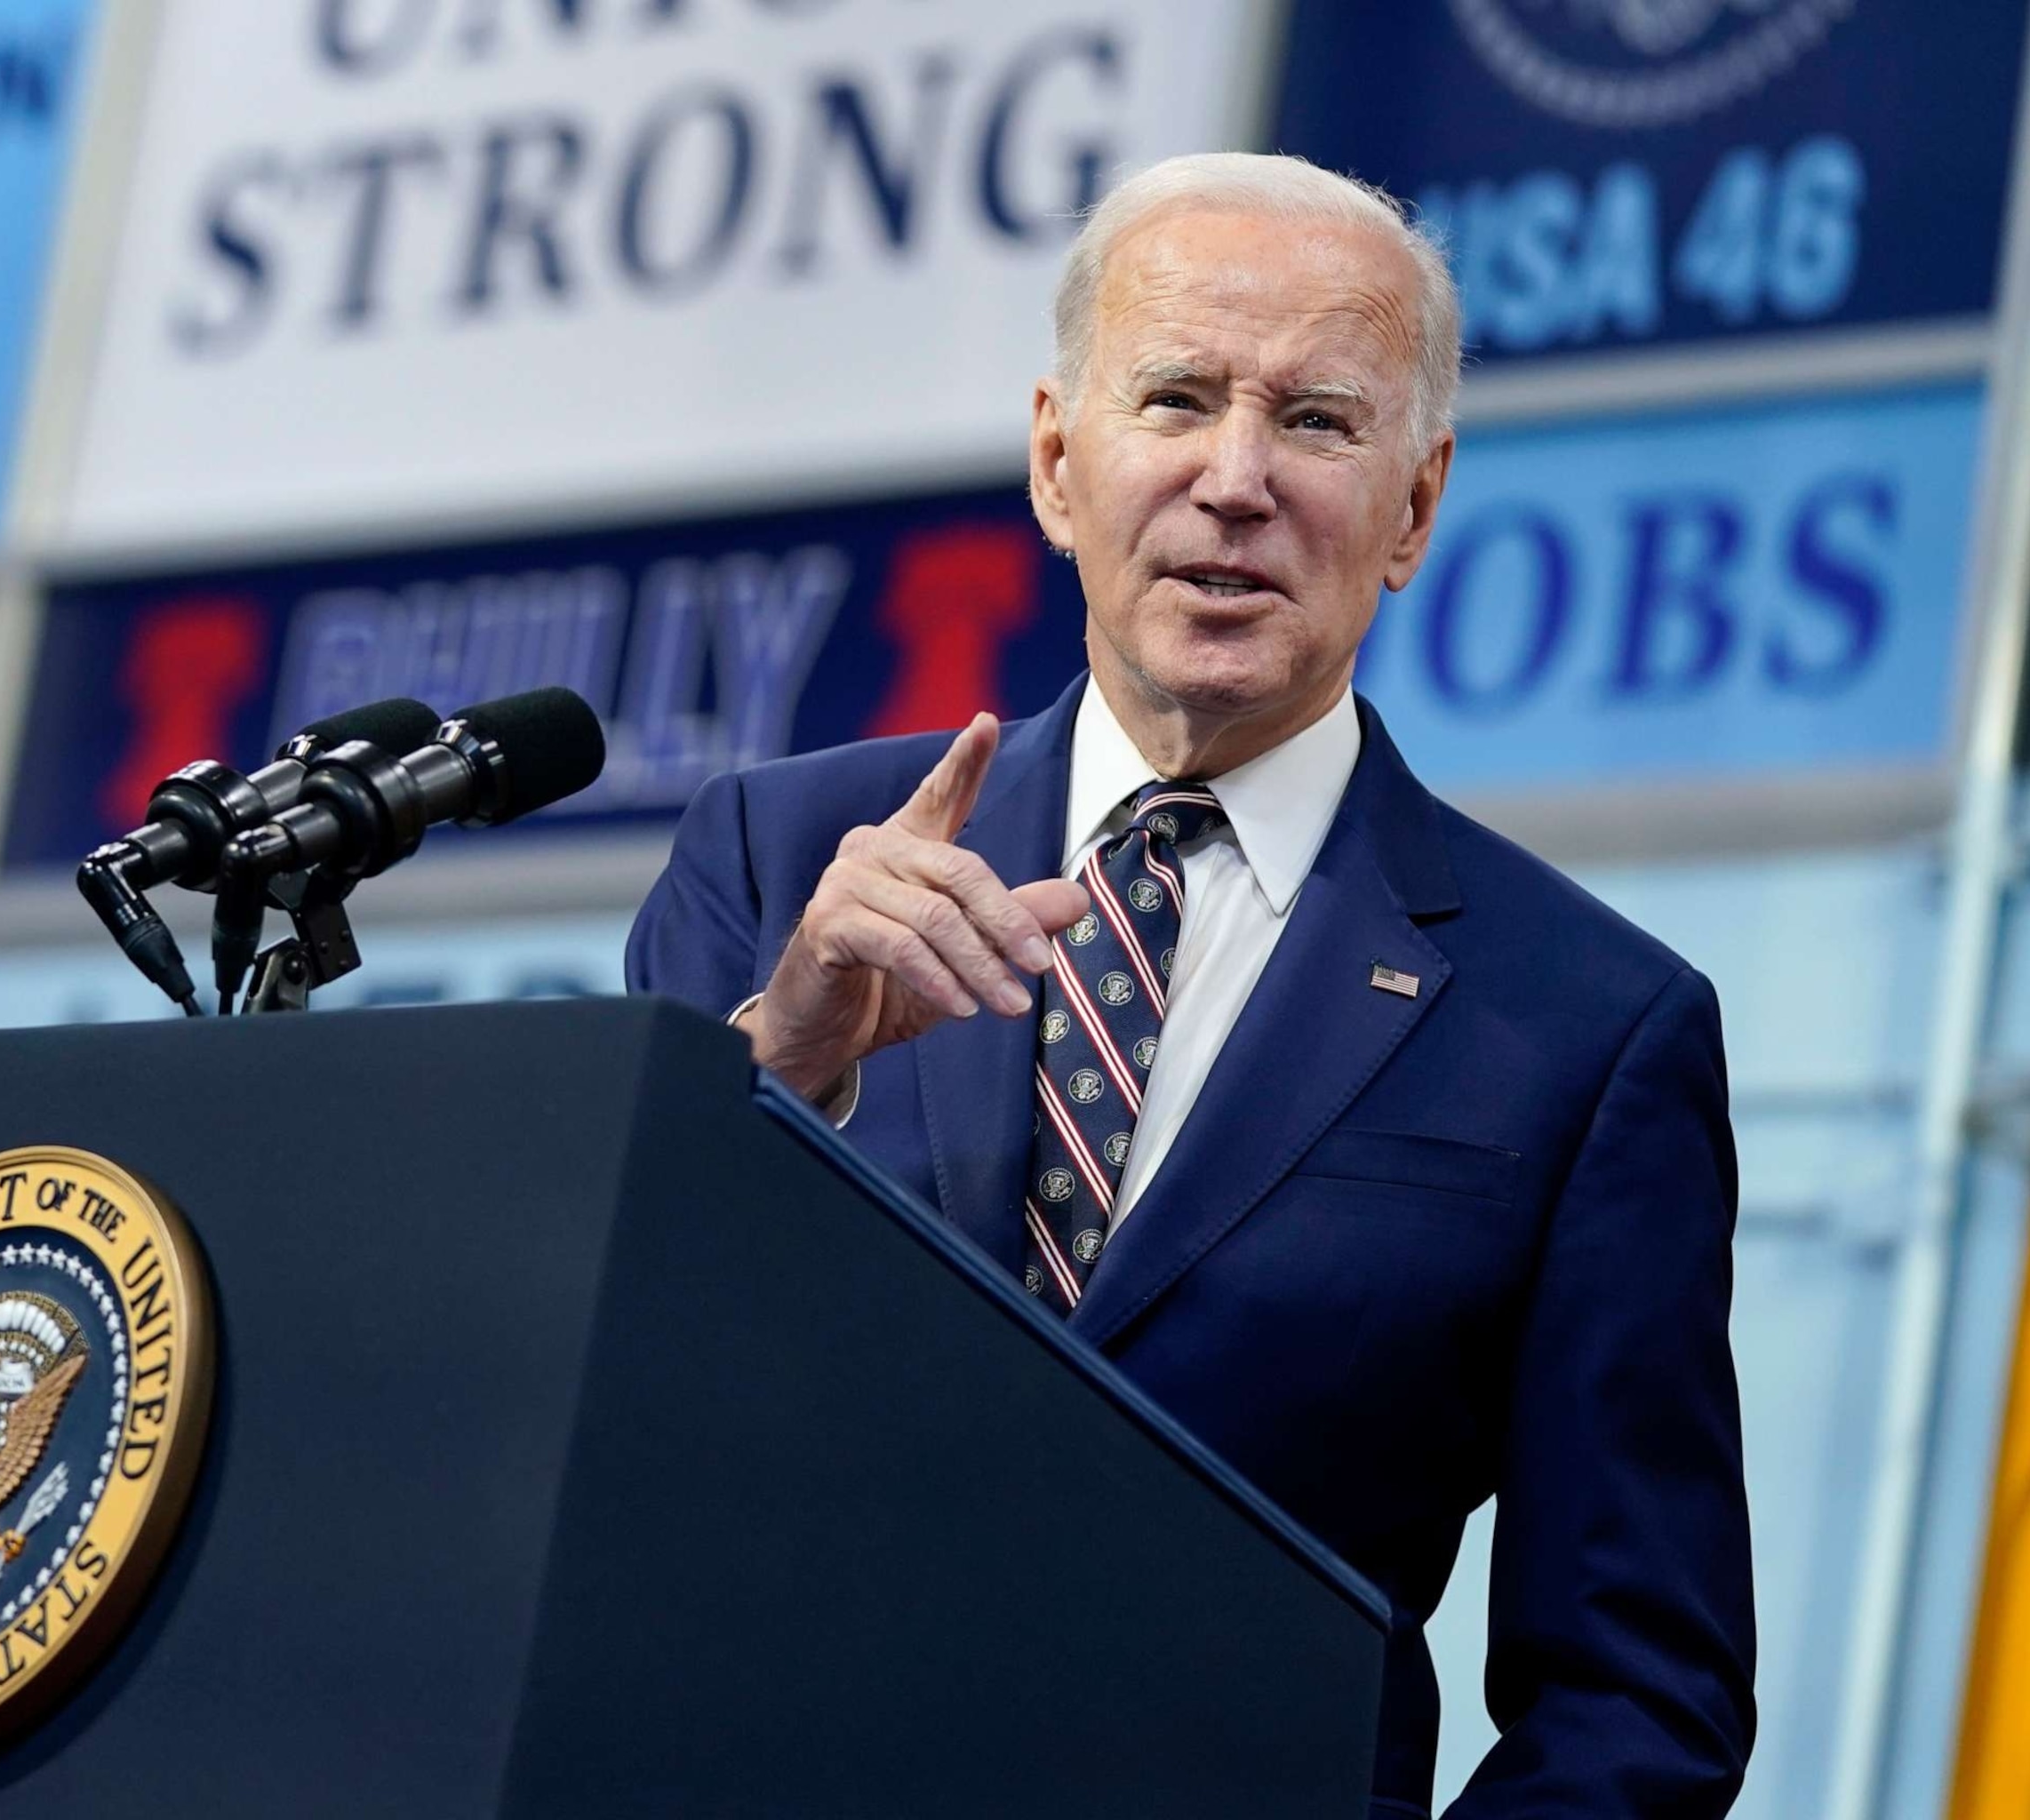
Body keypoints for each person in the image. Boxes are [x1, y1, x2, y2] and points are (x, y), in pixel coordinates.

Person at [626, 152, 1754, 1816]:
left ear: (1416, 510)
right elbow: (603, 1391)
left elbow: (1638, 1694)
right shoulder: (778, 859)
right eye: (1175, 399)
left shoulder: (1586, 1029)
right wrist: (777, 1070)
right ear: (1056, 462)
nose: (1237, 480)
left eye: (1316, 422)